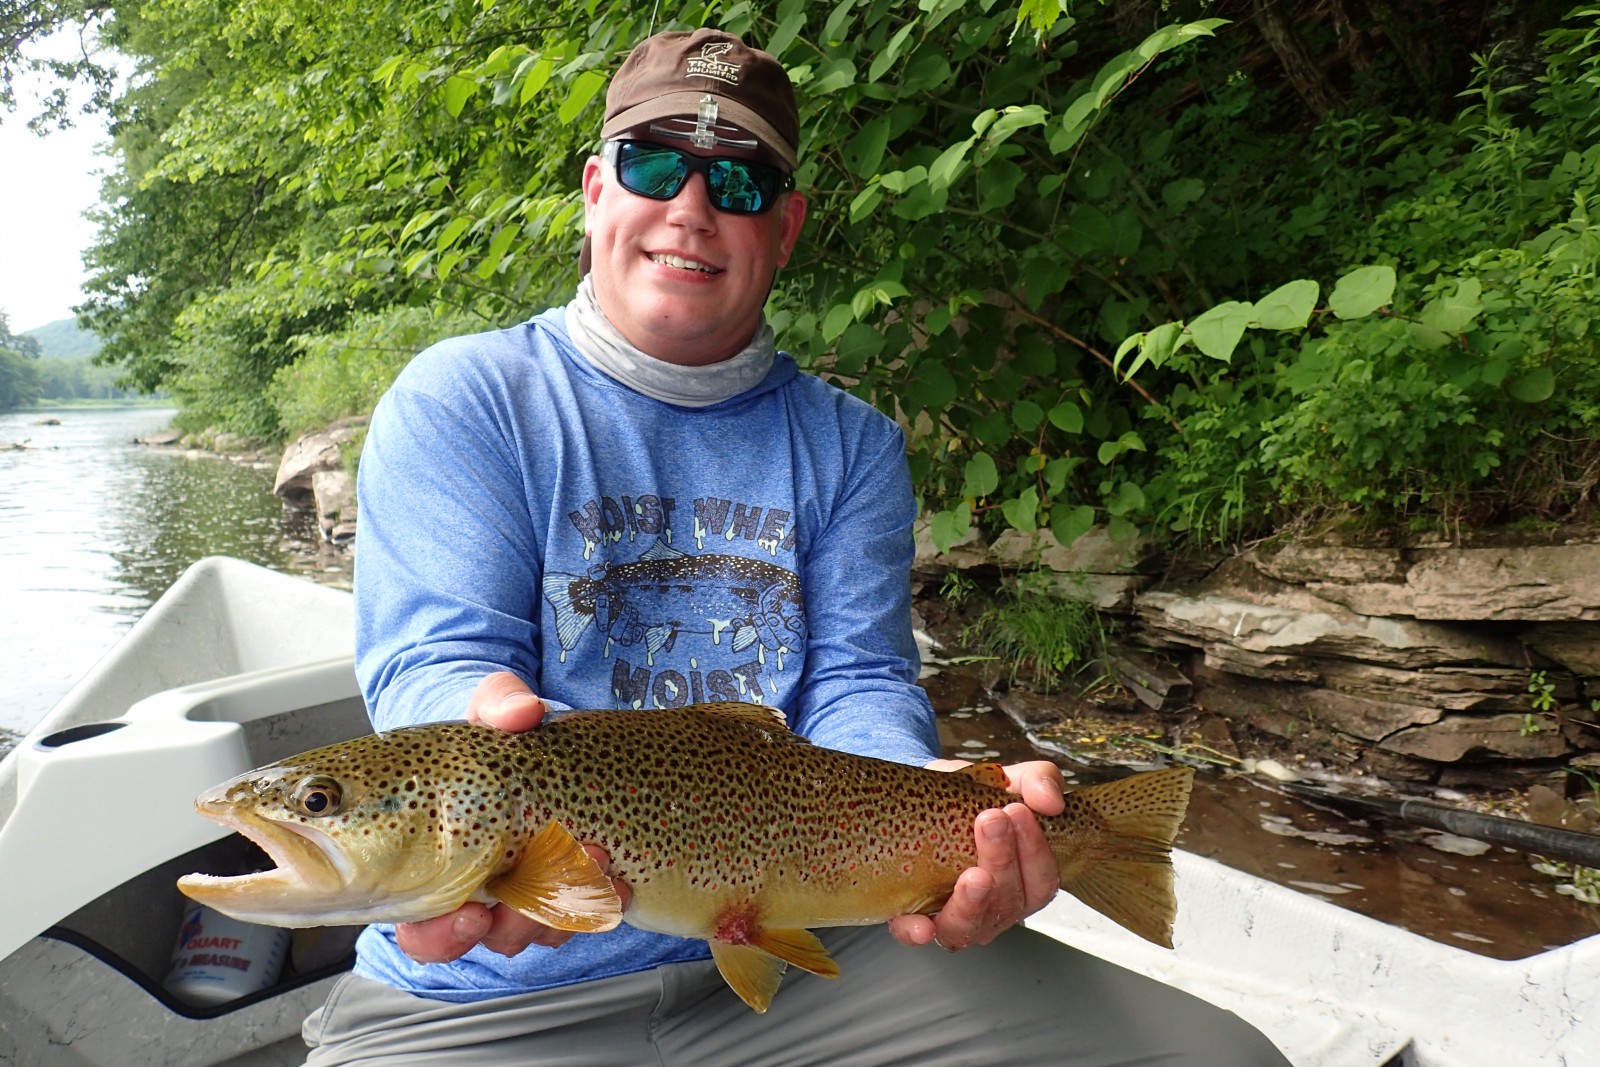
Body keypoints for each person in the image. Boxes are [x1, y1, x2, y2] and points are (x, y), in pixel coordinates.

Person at [303, 27, 1291, 1066]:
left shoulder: (851, 444)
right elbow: (433, 662)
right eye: (653, 165)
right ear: (596, 191)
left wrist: (929, 802)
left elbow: (858, 682)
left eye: (737, 180)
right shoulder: (469, 399)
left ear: (786, 227)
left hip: (816, 952)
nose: (691, 207)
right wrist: (476, 802)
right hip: (490, 982)